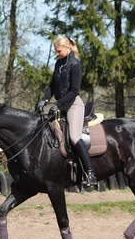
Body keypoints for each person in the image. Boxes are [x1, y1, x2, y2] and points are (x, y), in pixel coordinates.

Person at [36, 36, 97, 187]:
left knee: (75, 137)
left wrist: (58, 104)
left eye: (59, 51)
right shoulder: (58, 63)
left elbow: (74, 91)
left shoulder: (75, 65)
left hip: (73, 104)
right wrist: (44, 100)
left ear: (67, 48)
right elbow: (52, 85)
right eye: (55, 51)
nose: (57, 53)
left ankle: (90, 173)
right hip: (60, 104)